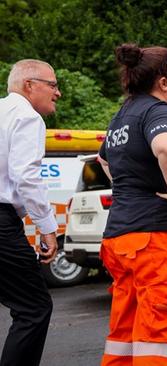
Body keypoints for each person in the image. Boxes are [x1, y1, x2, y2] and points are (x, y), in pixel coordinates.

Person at [98, 44, 167, 366]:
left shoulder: (124, 114)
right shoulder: (157, 111)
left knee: (125, 338)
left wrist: (134, 189)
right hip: (157, 244)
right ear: (163, 81)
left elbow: (105, 158)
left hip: (121, 238)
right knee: (160, 342)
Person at [0, 59, 60, 366]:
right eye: (52, 85)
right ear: (29, 85)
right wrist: (47, 228)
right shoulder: (26, 117)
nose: (58, 93)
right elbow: (26, 176)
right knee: (34, 307)